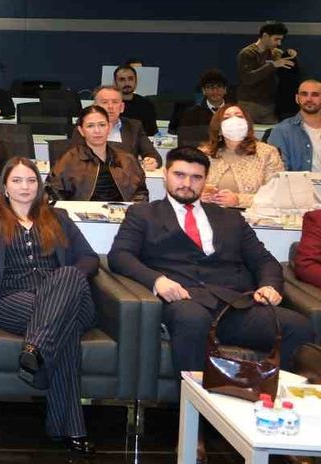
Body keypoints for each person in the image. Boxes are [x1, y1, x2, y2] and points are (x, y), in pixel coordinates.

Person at [109, 147, 312, 458]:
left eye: (196, 177)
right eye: (179, 175)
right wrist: (157, 281)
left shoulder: (229, 218)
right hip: (183, 299)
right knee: (193, 321)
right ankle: (193, 429)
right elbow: (120, 256)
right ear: (166, 175)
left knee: (296, 326)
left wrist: (270, 285)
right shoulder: (144, 214)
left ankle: (279, 423)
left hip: (234, 304)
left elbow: (264, 260)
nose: (186, 183)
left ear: (205, 180)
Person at [0, 157, 99, 455]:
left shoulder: (58, 218)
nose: (25, 187)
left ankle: (35, 349)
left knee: (68, 276)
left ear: (39, 186)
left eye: (31, 180)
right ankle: (71, 429)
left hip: (62, 295)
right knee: (65, 329)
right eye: (17, 180)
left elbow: (89, 258)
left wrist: (68, 283)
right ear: (5, 187)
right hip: (10, 298)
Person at [50, 105, 148, 203]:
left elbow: (141, 193)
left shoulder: (126, 159)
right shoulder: (68, 160)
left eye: (102, 125)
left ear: (109, 128)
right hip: (81, 211)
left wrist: (134, 209)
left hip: (122, 212)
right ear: (81, 131)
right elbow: (53, 193)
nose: (97, 131)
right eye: (90, 126)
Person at [198, 104, 283, 208]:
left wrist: (239, 200)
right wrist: (200, 194)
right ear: (219, 128)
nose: (234, 121)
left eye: (239, 116)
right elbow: (188, 187)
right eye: (227, 118)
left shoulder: (267, 153)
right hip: (210, 212)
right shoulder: (204, 153)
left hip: (251, 215)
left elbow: (276, 194)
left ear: (247, 124)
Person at [68, 85, 161, 170]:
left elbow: (154, 155)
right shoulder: (84, 126)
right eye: (104, 102)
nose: (110, 106)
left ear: (122, 107)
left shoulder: (134, 126)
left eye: (115, 102)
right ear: (95, 107)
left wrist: (152, 161)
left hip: (127, 178)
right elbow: (74, 158)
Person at [237, 20, 295, 125]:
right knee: (246, 133)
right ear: (265, 36)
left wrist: (290, 55)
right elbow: (247, 78)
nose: (279, 43)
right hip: (249, 105)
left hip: (270, 106)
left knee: (273, 133)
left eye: (281, 40)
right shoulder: (247, 53)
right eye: (276, 39)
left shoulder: (277, 53)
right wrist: (273, 65)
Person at [268, 79, 321, 172]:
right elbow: (278, 171)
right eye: (304, 94)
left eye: (315, 95)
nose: (309, 99)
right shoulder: (281, 131)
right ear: (297, 98)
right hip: (297, 181)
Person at [115, 64, 159, 136]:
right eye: (122, 80)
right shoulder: (110, 104)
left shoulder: (146, 105)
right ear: (115, 82)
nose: (126, 83)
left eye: (130, 79)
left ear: (136, 81)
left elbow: (152, 133)